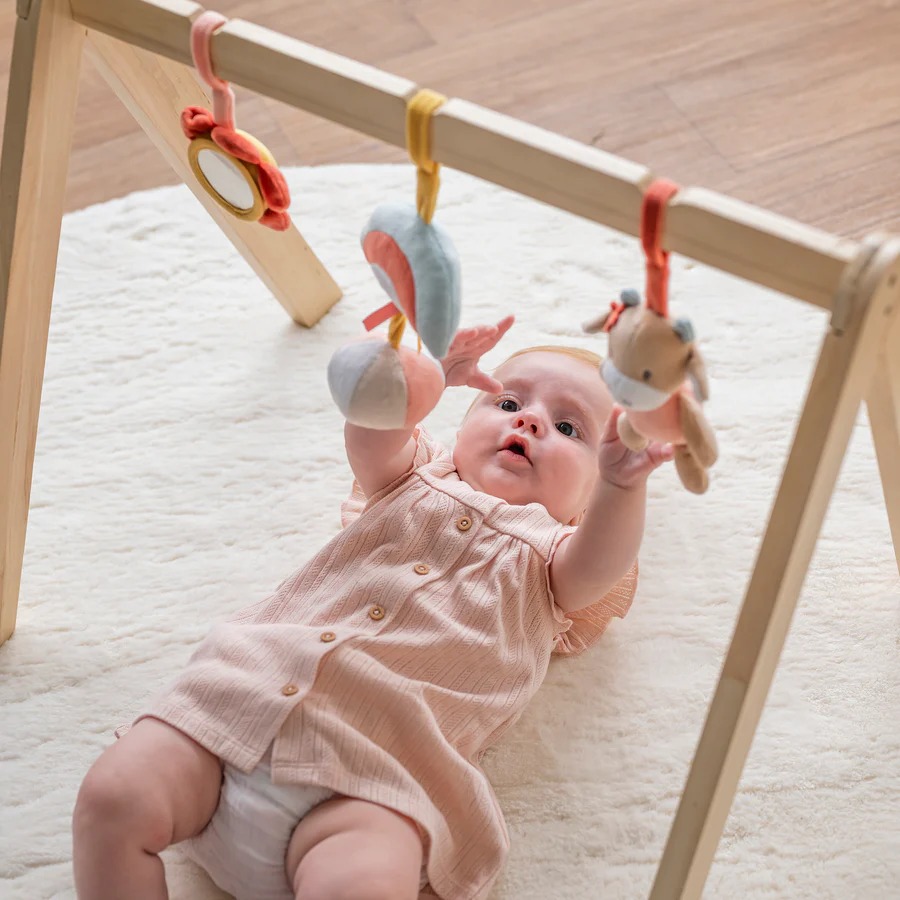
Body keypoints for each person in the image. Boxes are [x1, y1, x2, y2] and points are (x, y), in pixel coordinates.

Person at [72, 314, 673, 900]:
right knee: (112, 797)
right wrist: (426, 379)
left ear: (584, 505)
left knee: (360, 885)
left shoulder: (552, 561)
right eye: (509, 403)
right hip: (235, 710)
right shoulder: (410, 480)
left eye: (570, 430)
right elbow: (372, 427)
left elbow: (604, 560)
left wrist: (624, 488)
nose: (534, 422)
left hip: (381, 778)